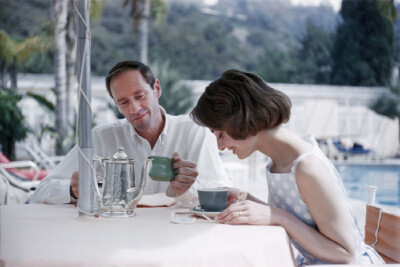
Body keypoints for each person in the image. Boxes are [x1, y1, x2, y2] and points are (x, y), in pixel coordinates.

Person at [190, 69, 384, 265]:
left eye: (221, 134)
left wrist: (277, 216)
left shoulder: (307, 168)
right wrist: (245, 197)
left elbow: (346, 254)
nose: (220, 146)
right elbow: (300, 220)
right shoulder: (278, 162)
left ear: (243, 120)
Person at [30, 60, 231, 204]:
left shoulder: (194, 131)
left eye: (140, 96)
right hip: (117, 236)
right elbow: (42, 190)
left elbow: (222, 190)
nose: (134, 108)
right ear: (117, 106)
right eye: (124, 102)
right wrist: (72, 191)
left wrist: (187, 189)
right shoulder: (102, 137)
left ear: (157, 89)